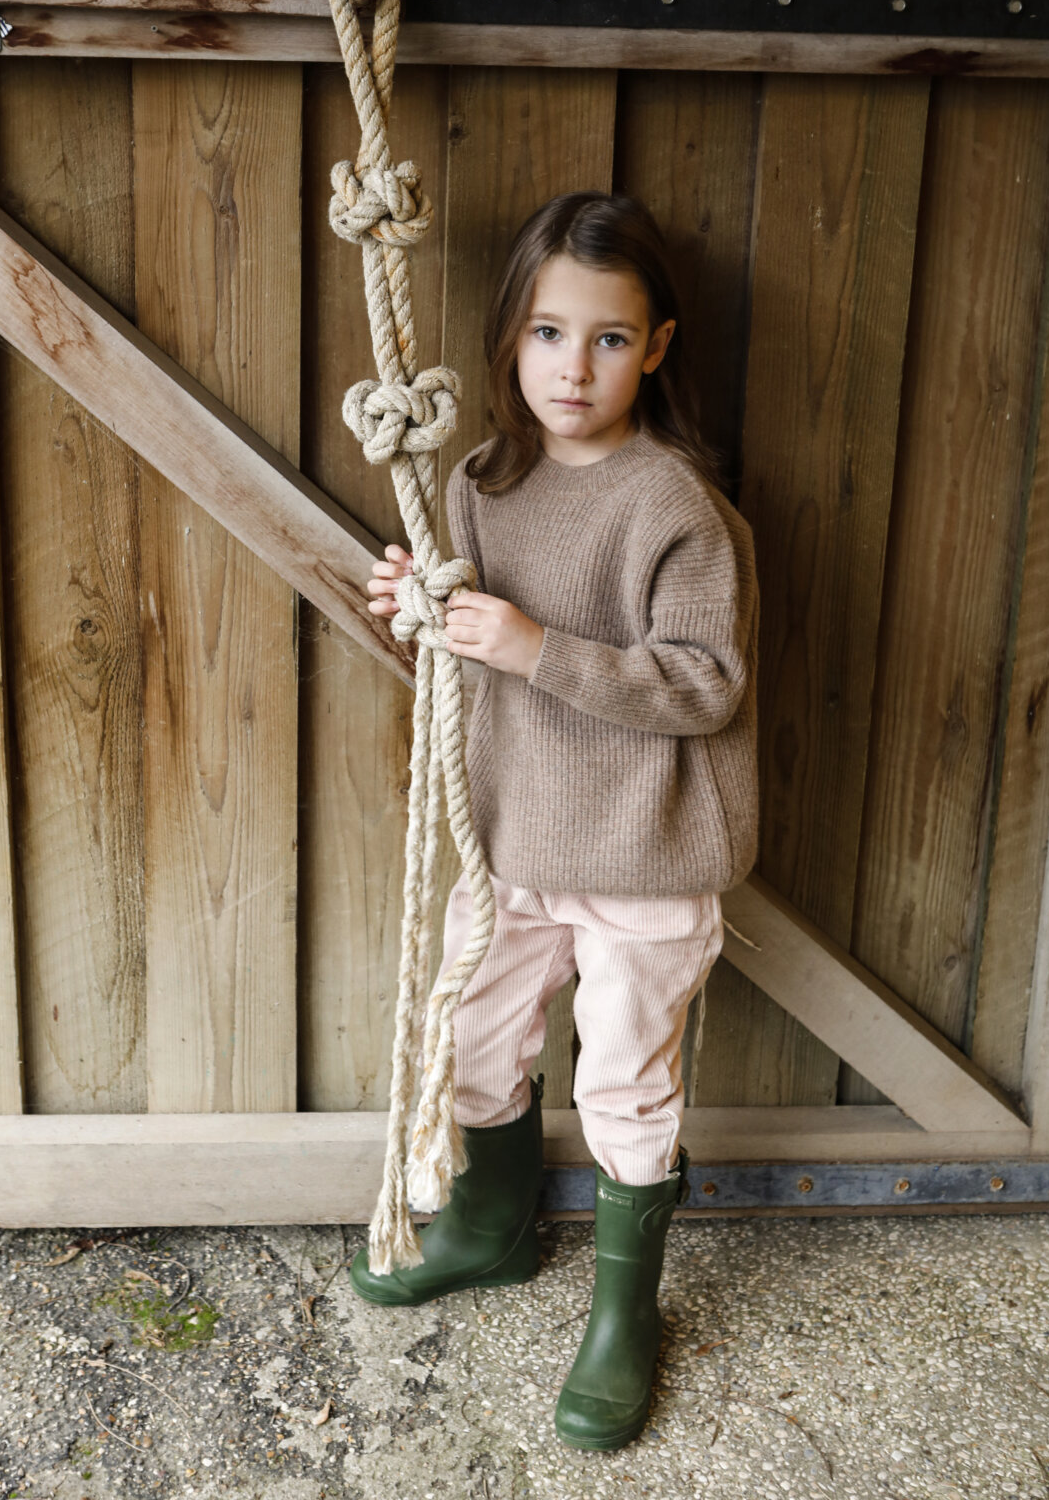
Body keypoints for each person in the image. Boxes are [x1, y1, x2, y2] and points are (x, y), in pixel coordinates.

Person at [348, 190, 759, 1453]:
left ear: (657, 347)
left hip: (643, 855)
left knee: (624, 1077)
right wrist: (419, 607)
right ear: (509, 339)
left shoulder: (676, 506)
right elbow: (469, 656)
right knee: (472, 1037)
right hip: (511, 841)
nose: (572, 368)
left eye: (609, 339)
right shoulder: (480, 483)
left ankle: (625, 1311)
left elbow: (707, 684)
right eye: (546, 334)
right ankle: (491, 1227)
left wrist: (538, 647)